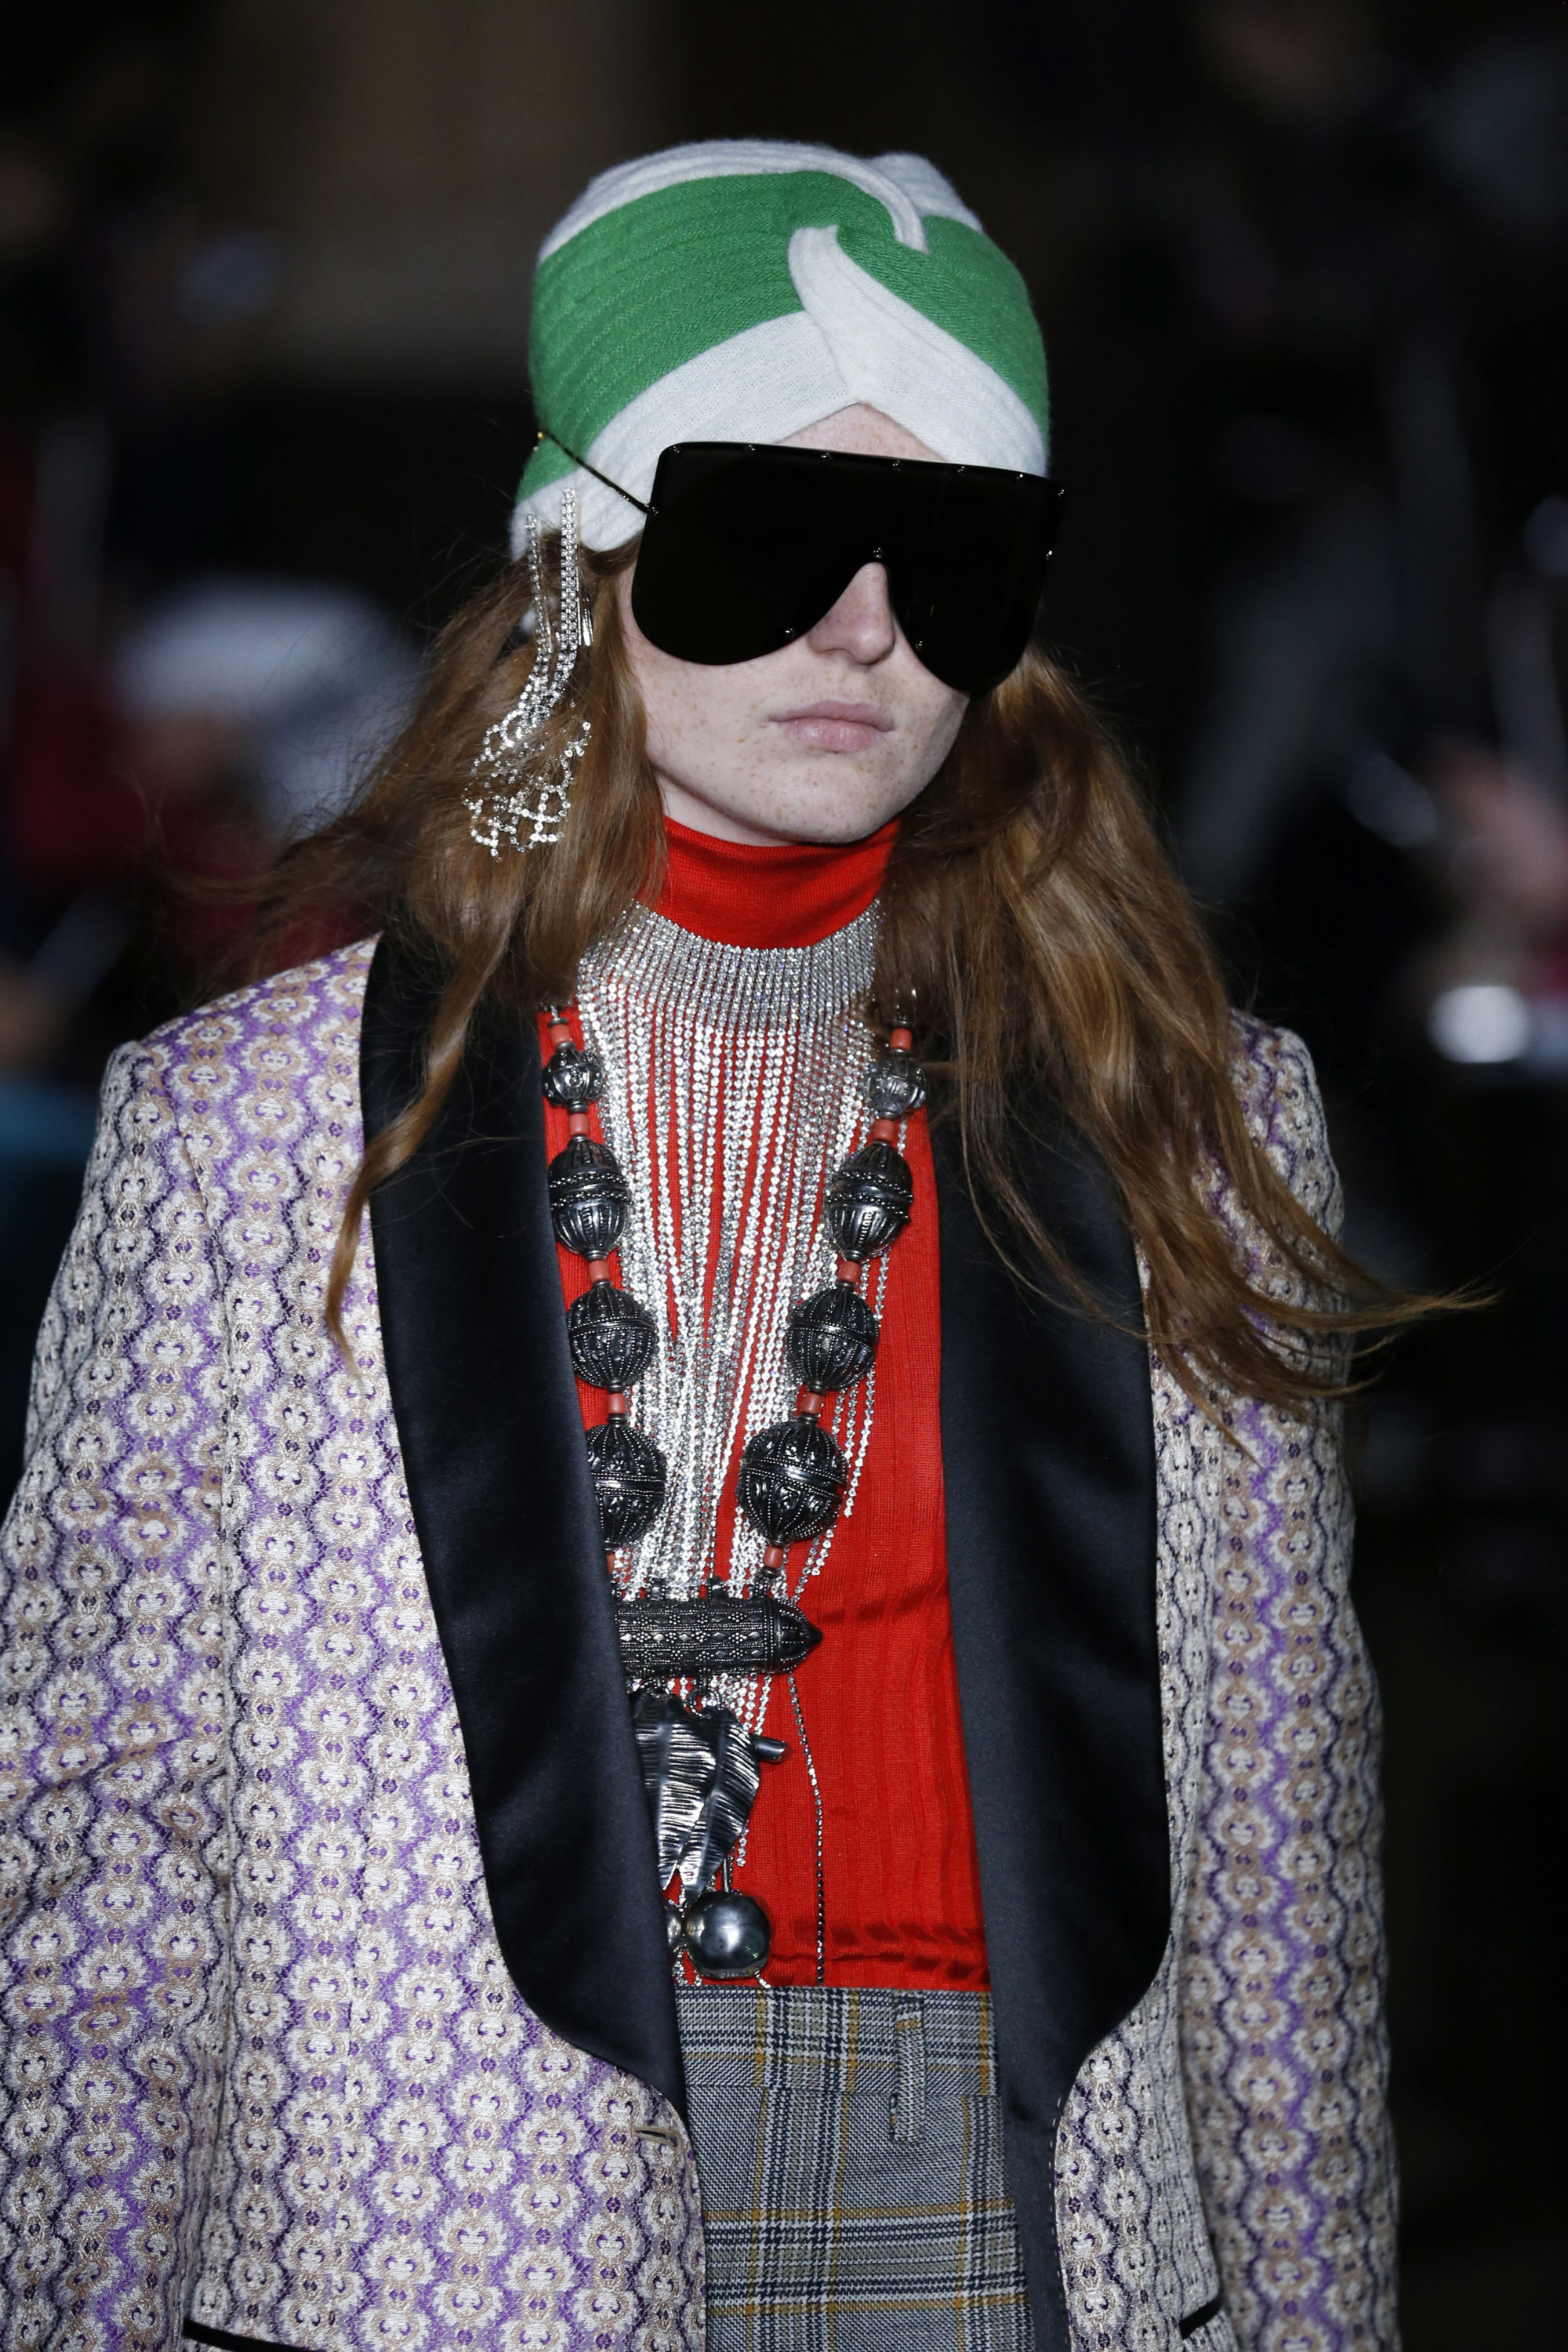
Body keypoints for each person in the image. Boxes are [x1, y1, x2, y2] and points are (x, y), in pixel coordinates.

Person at [0, 143, 1402, 2352]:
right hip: (429, 2243)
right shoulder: (244, 1134)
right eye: (768, 533)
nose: (864, 624)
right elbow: (102, 1877)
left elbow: (1279, 1885)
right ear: (580, 557)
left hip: (1021, 2232)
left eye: (954, 550)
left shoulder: (1189, 1118)